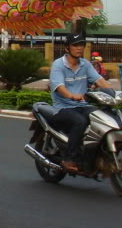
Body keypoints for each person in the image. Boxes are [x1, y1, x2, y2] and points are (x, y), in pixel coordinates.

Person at [49, 32, 115, 172]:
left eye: (81, 45)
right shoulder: (58, 65)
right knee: (80, 122)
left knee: (103, 117)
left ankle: (94, 153)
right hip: (63, 107)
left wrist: (115, 93)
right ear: (67, 48)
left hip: (83, 105)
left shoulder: (85, 64)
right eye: (75, 45)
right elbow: (59, 87)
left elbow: (100, 81)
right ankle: (68, 158)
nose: (79, 48)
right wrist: (71, 95)